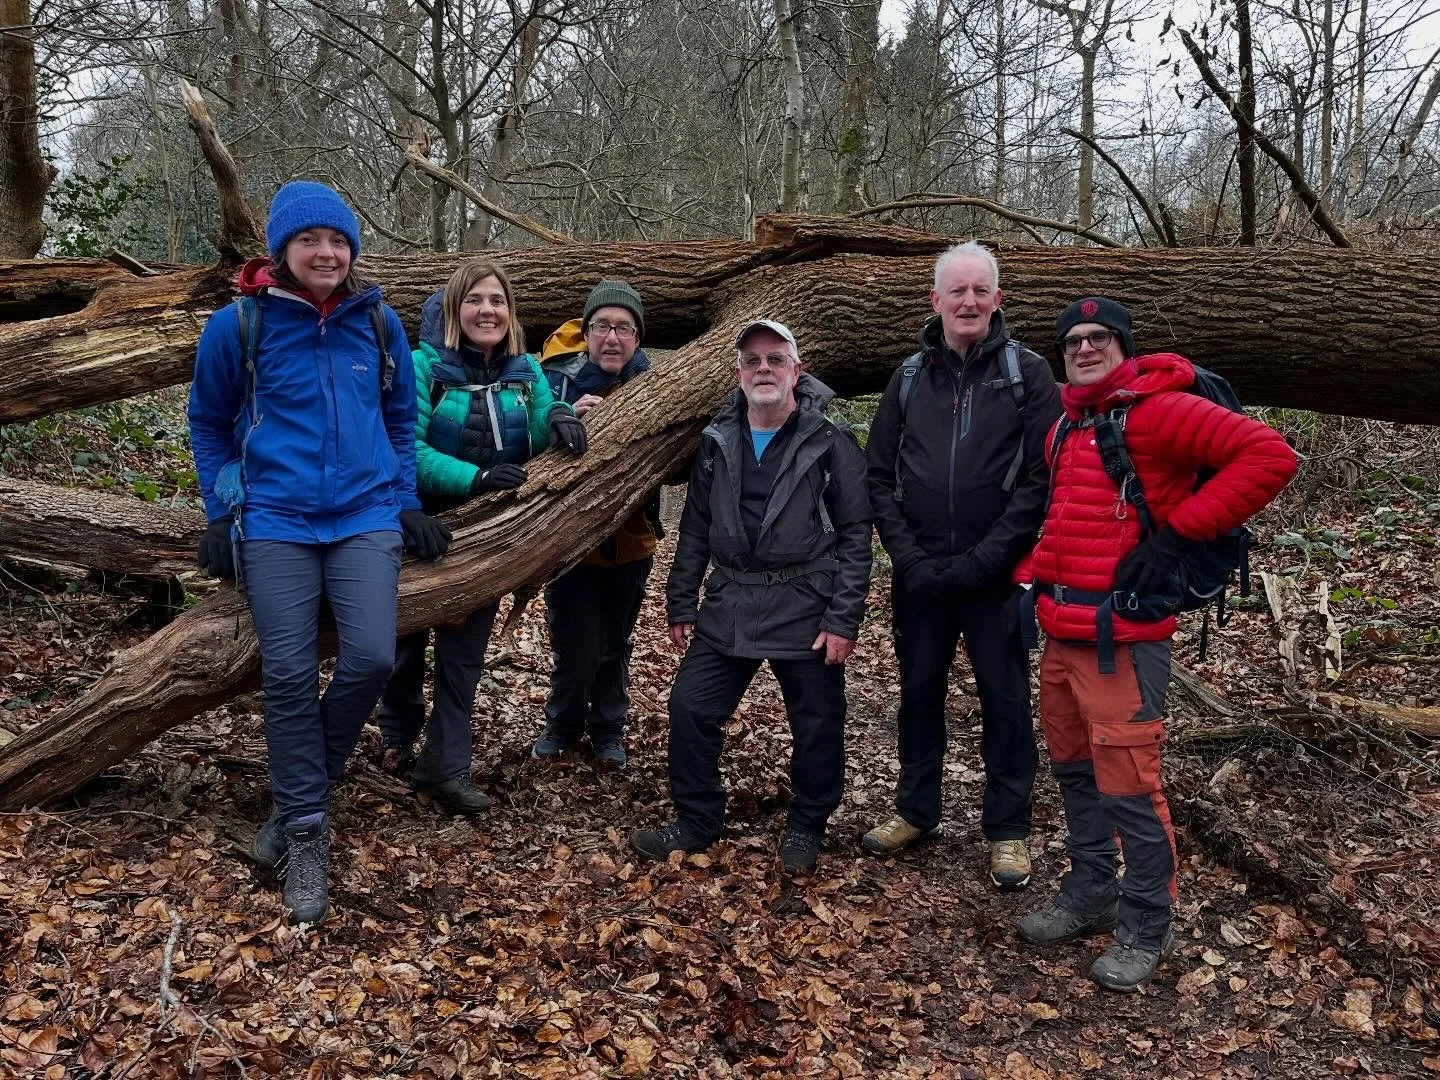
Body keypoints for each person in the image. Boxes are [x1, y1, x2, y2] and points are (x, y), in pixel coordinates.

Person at [1014, 297, 1296, 991]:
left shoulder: (1160, 408)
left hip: (1124, 639)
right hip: (1062, 633)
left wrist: (1177, 536)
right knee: (1076, 775)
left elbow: (1269, 455)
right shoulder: (1070, 424)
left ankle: (1147, 919)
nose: (1084, 348)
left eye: (1097, 337)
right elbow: (1062, 520)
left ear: (1123, 344)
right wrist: (1029, 587)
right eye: (1072, 341)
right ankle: (1090, 891)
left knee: (1130, 787)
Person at [189, 181, 451, 925]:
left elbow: (401, 419)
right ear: (283, 250)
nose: (326, 253)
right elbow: (208, 423)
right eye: (311, 242)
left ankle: (307, 783)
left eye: (338, 242)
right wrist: (220, 510)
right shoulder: (237, 327)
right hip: (276, 517)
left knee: (370, 656)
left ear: (352, 251)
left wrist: (402, 499)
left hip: (366, 513)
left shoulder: (379, 324)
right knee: (290, 672)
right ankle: (307, 831)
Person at [631, 319, 871, 873]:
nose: (763, 369)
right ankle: (696, 820)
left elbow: (857, 536)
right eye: (752, 360)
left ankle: (808, 826)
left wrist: (843, 619)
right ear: (739, 373)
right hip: (731, 598)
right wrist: (681, 600)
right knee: (691, 707)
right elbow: (694, 528)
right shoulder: (718, 439)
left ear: (796, 370)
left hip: (806, 602)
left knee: (816, 721)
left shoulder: (831, 441)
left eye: (775, 359)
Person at [862, 241, 1062, 889]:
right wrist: (907, 557)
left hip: (996, 578)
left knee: (1005, 701)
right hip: (920, 576)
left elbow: (1040, 478)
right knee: (919, 696)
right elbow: (877, 475)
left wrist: (988, 559)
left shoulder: (1028, 375)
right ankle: (915, 811)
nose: (969, 301)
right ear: (936, 301)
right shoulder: (909, 377)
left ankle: (1008, 831)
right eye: (958, 291)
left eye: (981, 291)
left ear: (998, 300)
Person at [376, 259, 588, 812]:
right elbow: (406, 449)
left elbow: (541, 424)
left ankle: (444, 766)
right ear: (453, 311)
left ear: (510, 313)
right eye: (474, 301)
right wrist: (474, 477)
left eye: (496, 301)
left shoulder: (526, 370)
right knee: (402, 647)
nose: (487, 310)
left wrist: (562, 414)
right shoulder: (422, 366)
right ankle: (396, 733)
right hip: (423, 526)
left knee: (463, 656)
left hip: (491, 532)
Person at [532, 280, 659, 767]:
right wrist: (564, 419)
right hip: (568, 543)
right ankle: (562, 723)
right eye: (602, 327)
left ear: (637, 339)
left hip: (632, 541)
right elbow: (528, 446)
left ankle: (608, 730)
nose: (612, 338)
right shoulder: (555, 383)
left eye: (624, 328)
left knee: (616, 641)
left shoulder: (656, 383)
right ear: (586, 334)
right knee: (573, 642)